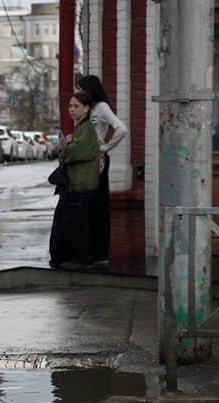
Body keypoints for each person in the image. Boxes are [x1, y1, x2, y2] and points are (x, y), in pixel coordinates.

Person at [75, 75, 128, 264]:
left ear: (90, 90)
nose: (78, 93)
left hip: (98, 162)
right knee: (87, 206)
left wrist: (105, 147)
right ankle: (88, 251)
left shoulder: (102, 108)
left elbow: (121, 129)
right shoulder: (87, 109)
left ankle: (100, 253)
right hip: (85, 162)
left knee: (98, 206)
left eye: (81, 89)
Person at [49, 91, 100, 270]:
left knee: (76, 225)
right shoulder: (81, 128)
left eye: (76, 106)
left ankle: (82, 258)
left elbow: (77, 152)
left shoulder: (87, 130)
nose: (72, 109)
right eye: (70, 106)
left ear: (86, 109)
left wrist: (64, 149)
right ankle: (69, 257)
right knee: (69, 223)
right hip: (74, 186)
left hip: (81, 186)